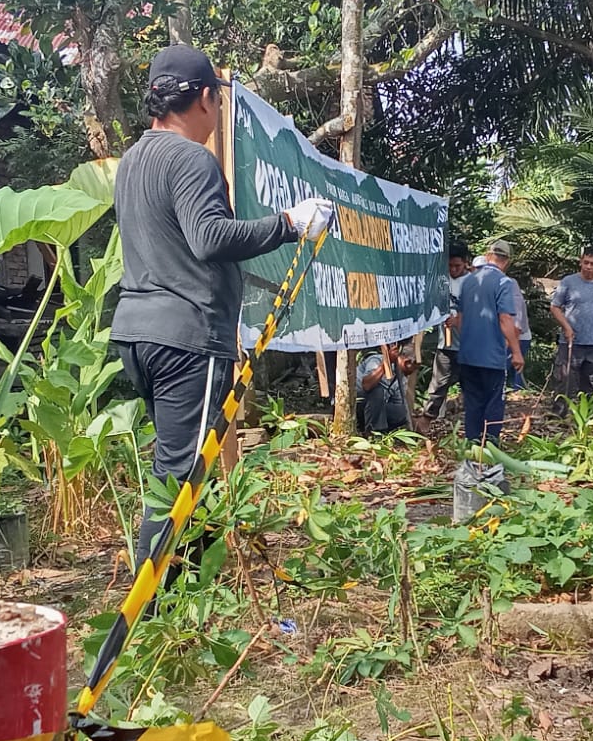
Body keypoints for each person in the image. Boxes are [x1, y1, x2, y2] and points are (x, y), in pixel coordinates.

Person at [110, 43, 332, 565]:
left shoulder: (133, 160)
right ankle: (156, 609)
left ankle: (192, 590)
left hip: (140, 333)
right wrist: (288, 224)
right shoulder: (191, 158)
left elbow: (174, 246)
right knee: (181, 475)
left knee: (187, 463)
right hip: (188, 335)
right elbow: (209, 238)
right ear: (206, 99)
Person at [453, 239, 524, 443]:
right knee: (494, 401)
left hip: (467, 355)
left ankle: (473, 442)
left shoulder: (468, 281)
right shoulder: (504, 282)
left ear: (487, 254)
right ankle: (490, 444)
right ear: (507, 261)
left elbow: (460, 319)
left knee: (473, 401)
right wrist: (516, 351)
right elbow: (505, 318)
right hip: (492, 356)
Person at [549, 248, 593, 408]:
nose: (588, 267)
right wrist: (566, 326)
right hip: (571, 341)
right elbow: (555, 306)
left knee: (592, 382)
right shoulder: (568, 282)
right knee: (565, 380)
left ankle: (588, 417)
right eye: (585, 262)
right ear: (580, 262)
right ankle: (559, 414)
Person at [422, 241, 471, 421]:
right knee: (439, 384)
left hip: (468, 344)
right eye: (449, 265)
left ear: (465, 262)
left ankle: (467, 418)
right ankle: (428, 417)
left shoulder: (472, 282)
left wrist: (458, 320)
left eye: (457, 266)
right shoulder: (441, 280)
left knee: (469, 383)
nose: (453, 269)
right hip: (446, 343)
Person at [357, 340, 416, 433]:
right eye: (413, 365)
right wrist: (385, 364)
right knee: (377, 391)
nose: (413, 369)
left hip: (374, 410)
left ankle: (379, 430)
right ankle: (373, 432)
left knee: (401, 412)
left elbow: (396, 404)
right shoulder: (376, 360)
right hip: (358, 402)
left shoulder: (401, 380)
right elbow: (366, 385)